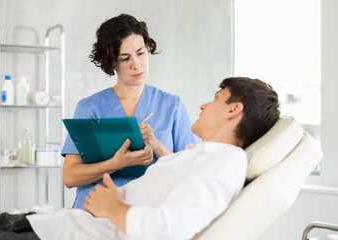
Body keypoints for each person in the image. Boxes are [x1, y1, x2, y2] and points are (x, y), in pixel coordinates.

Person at [26, 77, 280, 240]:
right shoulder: (200, 155)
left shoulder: (227, 163)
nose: (203, 106)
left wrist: (110, 206)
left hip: (77, 232)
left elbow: (168, 228)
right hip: (66, 223)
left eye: (216, 97)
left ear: (234, 110)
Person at [61, 14, 198, 209]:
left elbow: (191, 171)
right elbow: (69, 177)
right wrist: (115, 164)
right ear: (112, 62)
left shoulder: (172, 105)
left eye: (141, 53)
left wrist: (156, 145)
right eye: (125, 58)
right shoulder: (89, 107)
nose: (136, 64)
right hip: (94, 214)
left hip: (149, 214)